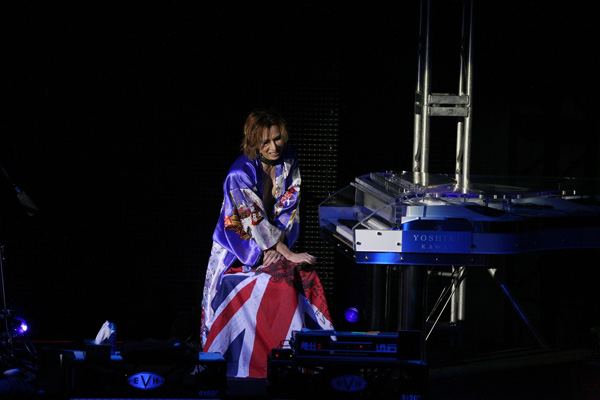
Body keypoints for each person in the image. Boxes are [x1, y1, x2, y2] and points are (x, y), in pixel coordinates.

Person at [200, 109, 333, 378]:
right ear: (253, 143)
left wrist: (277, 248)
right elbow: (252, 221)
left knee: (301, 276)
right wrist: (285, 253)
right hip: (237, 247)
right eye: (265, 142)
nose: (274, 147)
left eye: (277, 139)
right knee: (221, 300)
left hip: (273, 241)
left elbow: (289, 207)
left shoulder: (289, 159)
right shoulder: (238, 174)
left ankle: (307, 358)